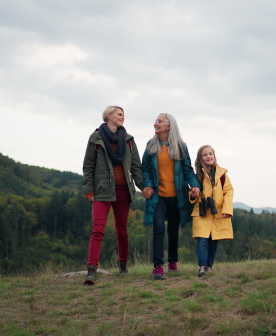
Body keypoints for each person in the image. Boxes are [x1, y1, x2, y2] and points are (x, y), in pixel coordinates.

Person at [82, 105, 144, 285]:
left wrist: (144, 187)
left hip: (124, 190)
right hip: (102, 191)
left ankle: (123, 267)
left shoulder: (129, 140)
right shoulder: (95, 139)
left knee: (122, 231)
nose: (123, 117)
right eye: (119, 114)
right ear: (109, 116)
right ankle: (91, 271)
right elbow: (88, 166)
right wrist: (89, 189)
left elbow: (136, 167)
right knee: (98, 229)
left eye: (123, 115)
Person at [141, 113, 200, 280]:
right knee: (158, 228)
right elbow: (145, 169)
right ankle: (158, 267)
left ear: (168, 126)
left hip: (177, 196)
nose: (155, 124)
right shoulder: (151, 145)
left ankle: (172, 262)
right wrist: (147, 184)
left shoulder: (180, 146)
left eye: (158, 121)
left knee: (173, 229)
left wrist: (194, 185)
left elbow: (188, 169)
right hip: (158, 196)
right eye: (155, 121)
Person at [190, 145, 234, 277]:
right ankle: (202, 266)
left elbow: (228, 192)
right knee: (202, 239)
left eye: (210, 154)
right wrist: (193, 195)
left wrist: (227, 209)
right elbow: (191, 192)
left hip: (218, 212)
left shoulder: (222, 174)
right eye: (205, 155)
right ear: (200, 158)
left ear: (214, 156)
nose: (208, 156)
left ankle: (209, 265)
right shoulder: (196, 175)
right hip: (201, 211)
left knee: (214, 240)